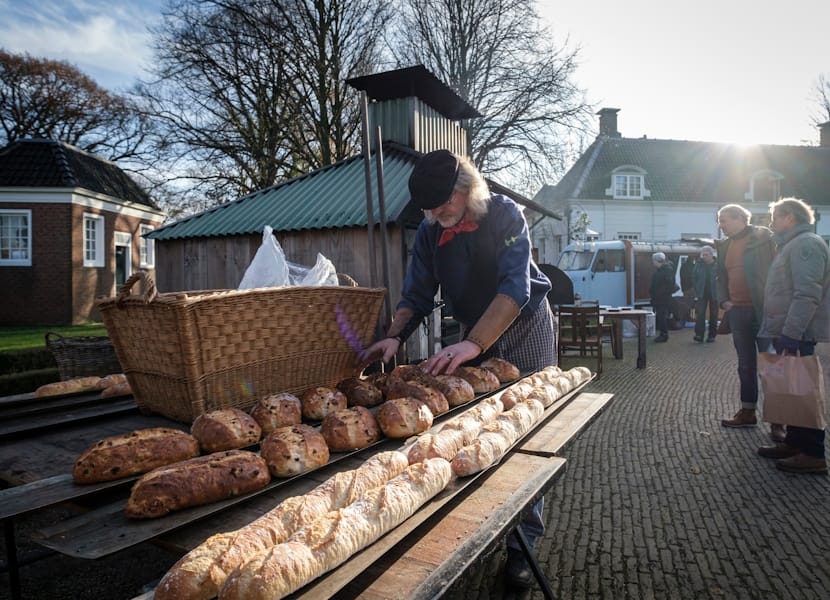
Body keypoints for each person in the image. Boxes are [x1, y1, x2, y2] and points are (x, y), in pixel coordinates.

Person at [359, 149, 557, 588]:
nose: (434, 213)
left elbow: (515, 285)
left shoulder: (506, 216)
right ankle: (484, 516)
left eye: (442, 202)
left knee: (531, 429)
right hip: (474, 332)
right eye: (428, 207)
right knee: (479, 426)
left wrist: (474, 342)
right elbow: (417, 292)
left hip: (523, 321)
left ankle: (524, 541)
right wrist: (396, 335)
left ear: (467, 188)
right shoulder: (432, 231)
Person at [756, 198, 829, 474]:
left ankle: (813, 453)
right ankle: (796, 443)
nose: (771, 222)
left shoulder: (805, 245)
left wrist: (791, 333)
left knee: (803, 390)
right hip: (791, 330)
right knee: (793, 386)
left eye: (774, 216)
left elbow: (807, 293)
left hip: (797, 332)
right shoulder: (794, 244)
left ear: (789, 218)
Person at [715, 204, 778, 438]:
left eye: (724, 220)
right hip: (738, 312)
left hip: (763, 311)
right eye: (719, 220)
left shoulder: (763, 238)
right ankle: (748, 412)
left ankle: (778, 422)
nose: (720, 225)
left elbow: (778, 270)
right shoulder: (724, 245)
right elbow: (721, 276)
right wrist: (724, 301)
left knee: (772, 365)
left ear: (740, 218)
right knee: (745, 365)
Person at [692, 245, 718, 343]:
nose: (704, 257)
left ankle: (712, 335)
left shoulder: (718, 265)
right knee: (700, 314)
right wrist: (696, 290)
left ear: (711, 255)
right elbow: (694, 277)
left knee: (713, 314)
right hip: (701, 293)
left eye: (706, 255)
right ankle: (699, 335)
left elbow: (723, 278)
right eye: (703, 255)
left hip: (714, 293)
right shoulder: (698, 264)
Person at [649, 252, 675, 343]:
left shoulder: (666, 271)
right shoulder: (663, 270)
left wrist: (658, 294)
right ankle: (663, 334)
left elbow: (668, 285)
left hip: (662, 299)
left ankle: (664, 335)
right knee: (661, 316)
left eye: (653, 261)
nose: (653, 263)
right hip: (660, 298)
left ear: (657, 261)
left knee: (661, 316)